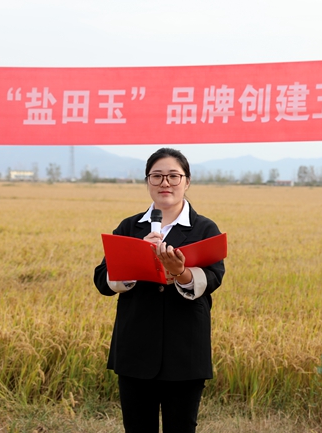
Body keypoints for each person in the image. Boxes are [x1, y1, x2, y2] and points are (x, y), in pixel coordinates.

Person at [94, 148, 225, 433]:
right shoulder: (130, 227)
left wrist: (180, 272)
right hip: (135, 349)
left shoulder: (204, 228)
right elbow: (102, 279)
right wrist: (135, 258)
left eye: (173, 176)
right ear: (147, 182)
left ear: (187, 181)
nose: (165, 183)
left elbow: (214, 278)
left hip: (185, 351)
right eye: (157, 176)